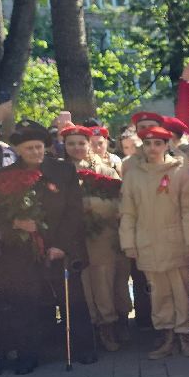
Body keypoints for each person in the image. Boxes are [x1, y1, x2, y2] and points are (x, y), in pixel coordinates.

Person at [0, 120, 97, 372]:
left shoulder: (63, 171)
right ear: (18, 150)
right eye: (29, 149)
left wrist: (61, 245)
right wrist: (16, 222)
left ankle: (83, 347)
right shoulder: (5, 177)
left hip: (60, 247)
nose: (35, 153)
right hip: (22, 250)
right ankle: (29, 354)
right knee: (25, 302)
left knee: (72, 300)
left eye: (39, 147)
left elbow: (74, 212)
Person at [119, 125, 189, 359]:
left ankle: (185, 334)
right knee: (158, 293)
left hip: (176, 241)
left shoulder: (179, 171)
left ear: (167, 146)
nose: (152, 148)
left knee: (181, 290)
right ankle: (166, 336)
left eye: (158, 143)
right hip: (147, 242)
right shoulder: (134, 175)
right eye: (148, 143)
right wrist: (129, 243)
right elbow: (128, 212)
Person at [61, 124, 126, 352]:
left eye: (81, 143)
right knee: (83, 284)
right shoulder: (60, 171)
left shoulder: (104, 169)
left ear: (89, 145)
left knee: (104, 281)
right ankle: (89, 327)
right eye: (71, 143)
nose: (77, 147)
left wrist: (91, 206)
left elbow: (120, 202)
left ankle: (108, 325)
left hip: (102, 236)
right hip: (74, 238)